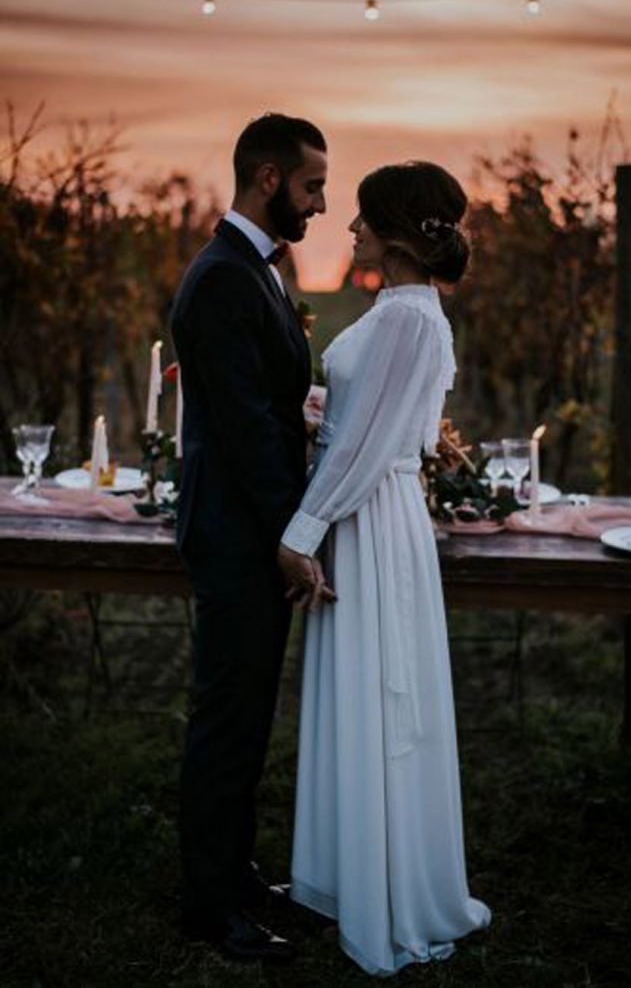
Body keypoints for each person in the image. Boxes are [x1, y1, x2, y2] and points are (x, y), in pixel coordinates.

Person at [279, 161, 492, 976]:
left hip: (367, 517)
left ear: (402, 234)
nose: (351, 227)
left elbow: (371, 449)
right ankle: (343, 874)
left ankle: (388, 893)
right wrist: (314, 409)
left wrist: (301, 530)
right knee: (355, 692)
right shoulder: (396, 310)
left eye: (365, 217)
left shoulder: (410, 318)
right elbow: (365, 421)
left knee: (379, 695)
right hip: (357, 509)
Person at [170, 113, 332, 964]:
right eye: (311, 185)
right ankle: (209, 906)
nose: (321, 202)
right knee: (226, 721)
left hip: (245, 525)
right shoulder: (226, 278)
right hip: (237, 533)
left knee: (245, 712)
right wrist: (289, 534)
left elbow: (263, 405)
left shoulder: (251, 271)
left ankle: (233, 872)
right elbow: (241, 432)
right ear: (268, 178)